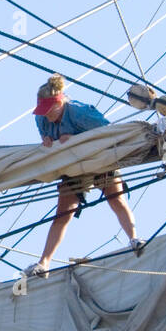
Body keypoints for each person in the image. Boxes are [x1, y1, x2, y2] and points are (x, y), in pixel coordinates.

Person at [28, 73, 140, 276]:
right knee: (63, 213)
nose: (46, 115)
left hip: (97, 159)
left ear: (60, 102)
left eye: (50, 110)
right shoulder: (41, 118)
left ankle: (134, 239)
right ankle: (44, 262)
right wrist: (46, 140)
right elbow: (45, 135)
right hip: (72, 167)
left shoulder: (80, 113)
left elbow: (107, 132)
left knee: (115, 198)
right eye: (43, 111)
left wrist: (77, 138)